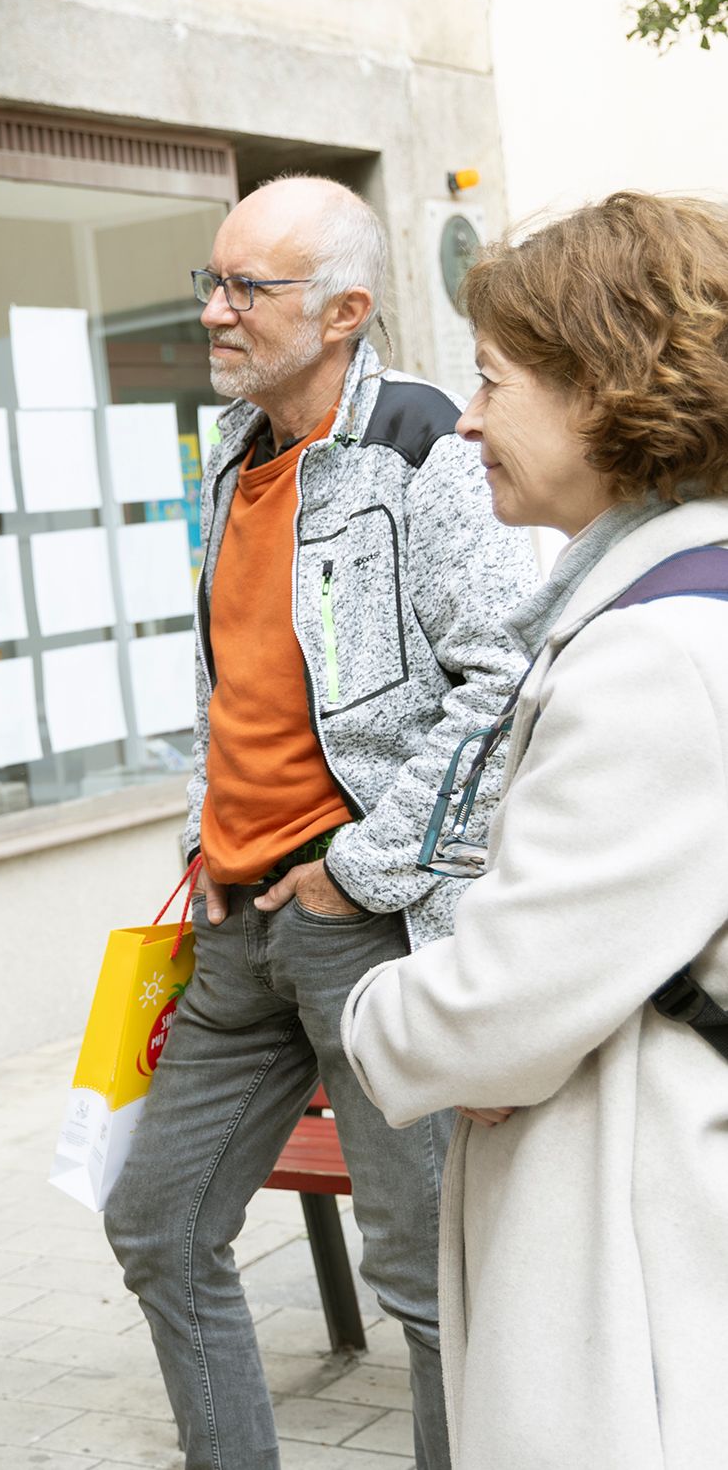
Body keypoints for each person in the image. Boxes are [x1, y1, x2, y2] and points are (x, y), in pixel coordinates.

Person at [99, 176, 539, 1470]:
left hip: (367, 926)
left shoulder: (423, 448)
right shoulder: (234, 449)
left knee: (422, 1283)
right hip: (239, 925)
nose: (215, 314)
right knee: (157, 1225)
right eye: (212, 282)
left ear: (343, 311)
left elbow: (503, 680)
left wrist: (362, 867)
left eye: (249, 289)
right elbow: (227, 682)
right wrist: (201, 839)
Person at [342, 192, 728, 1470]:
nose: (462, 419)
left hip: (640, 1251)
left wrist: (381, 1018)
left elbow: (499, 1013)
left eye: (493, 381)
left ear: (606, 391)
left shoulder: (655, 659)